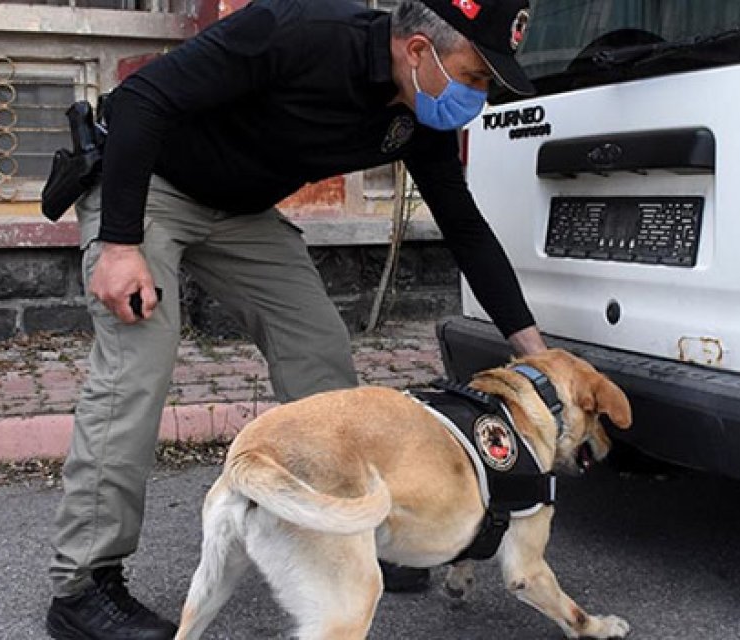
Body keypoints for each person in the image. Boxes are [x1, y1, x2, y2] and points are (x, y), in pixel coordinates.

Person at [45, 0, 548, 637]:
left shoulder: (419, 116)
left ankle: (348, 526)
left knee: (321, 354)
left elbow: (464, 225)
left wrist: (529, 349)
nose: (477, 95)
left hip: (241, 212)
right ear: (419, 50)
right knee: (135, 369)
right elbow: (143, 97)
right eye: (475, 76)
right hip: (149, 187)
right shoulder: (296, 32)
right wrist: (119, 244)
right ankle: (84, 585)